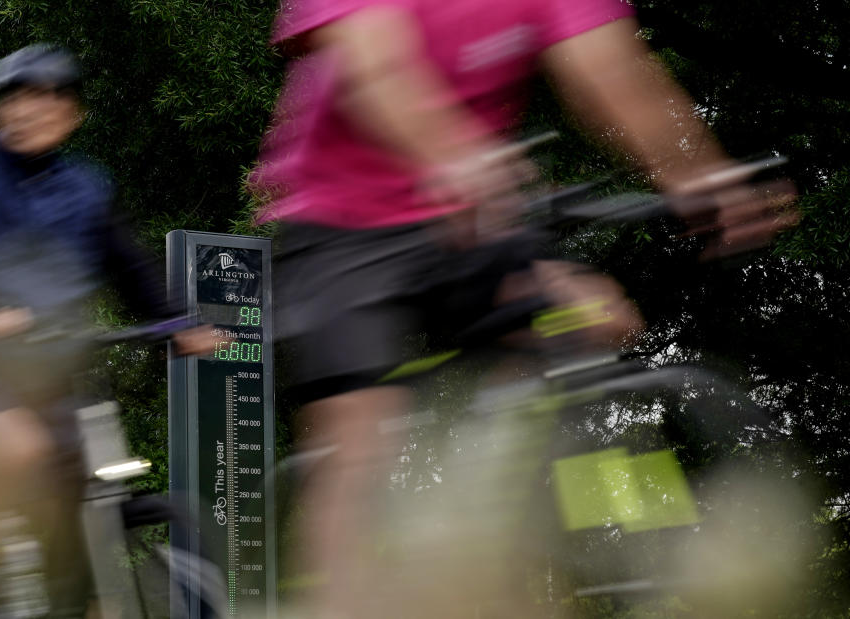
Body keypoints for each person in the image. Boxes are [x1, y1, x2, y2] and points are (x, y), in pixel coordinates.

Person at [250, 0, 794, 617]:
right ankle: (341, 601)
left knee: (587, 334)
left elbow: (611, 73)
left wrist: (698, 173)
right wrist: (454, 152)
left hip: (477, 211)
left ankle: (636, 573)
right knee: (355, 436)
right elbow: (376, 68)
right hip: (342, 219)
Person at [0, 44, 214, 615]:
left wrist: (178, 324)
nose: (28, 113)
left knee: (81, 483)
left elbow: (129, 266)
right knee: (18, 445)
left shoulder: (88, 188)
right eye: (15, 101)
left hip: (46, 375)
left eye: (45, 102)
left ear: (72, 115)